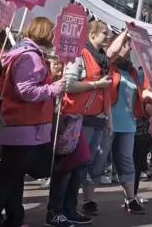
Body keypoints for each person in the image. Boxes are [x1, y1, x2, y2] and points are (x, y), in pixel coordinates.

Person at [0, 17, 64, 227]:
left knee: (13, 175)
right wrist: (54, 88)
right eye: (52, 31)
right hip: (24, 124)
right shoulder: (30, 57)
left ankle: (14, 217)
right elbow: (25, 91)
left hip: (21, 124)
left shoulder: (24, 53)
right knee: (8, 176)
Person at [85, 32, 152, 214]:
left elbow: (141, 92)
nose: (130, 48)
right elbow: (111, 51)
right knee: (98, 162)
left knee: (127, 162)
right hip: (108, 121)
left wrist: (151, 101)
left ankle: (130, 199)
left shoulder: (132, 70)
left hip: (128, 124)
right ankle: (88, 200)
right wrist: (127, 30)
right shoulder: (107, 64)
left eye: (130, 45)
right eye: (127, 44)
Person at [61, 20, 115, 221]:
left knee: (83, 165)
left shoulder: (103, 59)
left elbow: (106, 92)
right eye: (104, 33)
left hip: (97, 120)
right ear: (92, 36)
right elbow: (68, 85)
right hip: (79, 119)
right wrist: (95, 84)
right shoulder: (80, 55)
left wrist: (108, 119)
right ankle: (60, 209)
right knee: (71, 165)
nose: (108, 36)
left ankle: (70, 208)